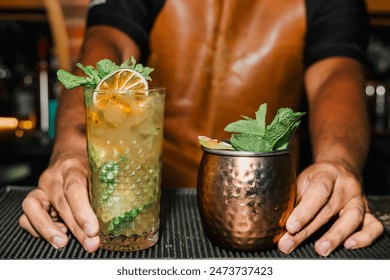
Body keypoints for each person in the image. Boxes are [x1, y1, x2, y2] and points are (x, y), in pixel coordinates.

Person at [19, 0, 384, 256]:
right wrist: (70, 152)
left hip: (268, 212)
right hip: (146, 209)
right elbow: (105, 48)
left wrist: (338, 163)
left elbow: (336, 75)